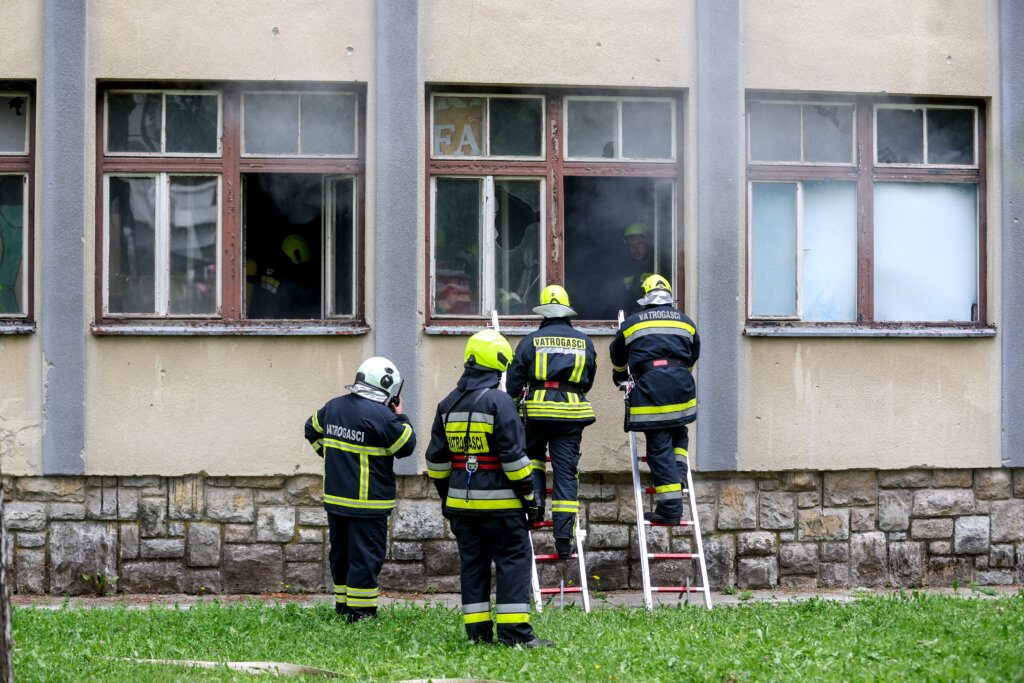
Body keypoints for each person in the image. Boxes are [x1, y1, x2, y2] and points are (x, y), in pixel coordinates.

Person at [425, 330, 553, 648]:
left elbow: (436, 463)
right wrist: (530, 498)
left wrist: (448, 497)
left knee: (473, 565)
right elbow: (514, 461)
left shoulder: (447, 404)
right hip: (502, 508)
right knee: (513, 561)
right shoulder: (500, 402)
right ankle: (515, 635)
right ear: (498, 365)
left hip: (462, 509)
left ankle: (478, 635)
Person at [304, 357, 416, 621]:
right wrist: (401, 416)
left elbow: (311, 429)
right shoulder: (383, 416)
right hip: (368, 505)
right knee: (366, 558)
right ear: (384, 385)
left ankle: (343, 607)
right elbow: (406, 446)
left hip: (337, 500)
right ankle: (361, 614)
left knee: (341, 556)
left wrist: (332, 456)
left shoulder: (333, 407)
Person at [506, 285, 597, 559]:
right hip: (571, 414)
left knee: (533, 456)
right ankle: (564, 540)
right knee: (566, 471)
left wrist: (514, 405)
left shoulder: (531, 341)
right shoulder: (584, 341)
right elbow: (588, 379)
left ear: (543, 312)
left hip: (536, 412)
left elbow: (514, 381)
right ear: (566, 311)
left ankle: (534, 511)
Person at [609, 274, 700, 525]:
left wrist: (620, 375)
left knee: (659, 447)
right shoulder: (686, 322)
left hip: (652, 387)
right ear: (669, 298)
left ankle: (670, 509)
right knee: (679, 431)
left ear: (645, 299)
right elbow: (694, 354)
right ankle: (679, 472)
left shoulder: (632, 324)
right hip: (682, 386)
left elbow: (617, 354)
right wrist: (678, 373)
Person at [249, 234, 318, 319]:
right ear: (297, 257)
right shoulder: (288, 278)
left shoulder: (261, 266)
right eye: (301, 265)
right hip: (276, 323)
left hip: (254, 319)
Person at [620, 222, 655, 314]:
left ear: (648, 244)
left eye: (639, 243)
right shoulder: (627, 269)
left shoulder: (657, 267)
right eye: (631, 245)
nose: (635, 249)